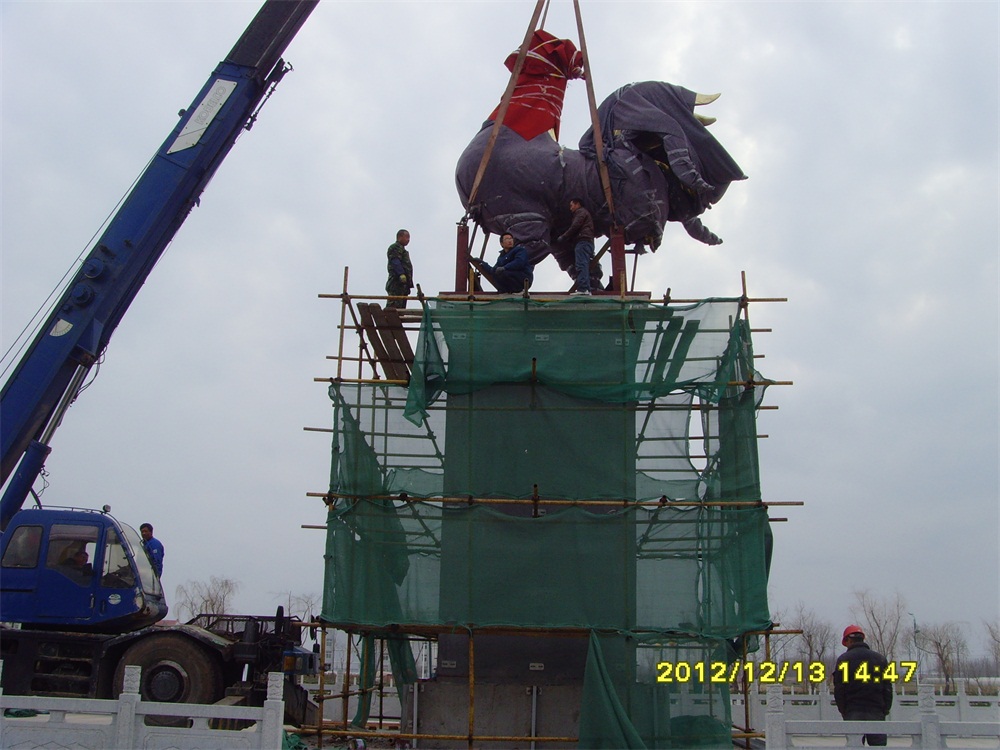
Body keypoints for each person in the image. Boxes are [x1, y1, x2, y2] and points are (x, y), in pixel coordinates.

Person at [833, 624, 893, 746]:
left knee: (855, 745)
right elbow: (887, 688)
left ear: (848, 640)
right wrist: (885, 709)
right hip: (876, 710)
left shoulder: (844, 660)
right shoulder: (880, 659)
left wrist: (843, 710)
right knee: (878, 746)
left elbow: (839, 689)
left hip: (853, 710)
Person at [557, 198, 596, 295]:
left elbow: (576, 225)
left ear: (577, 204)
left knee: (581, 265)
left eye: (571, 205)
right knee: (583, 264)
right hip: (586, 242)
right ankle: (586, 289)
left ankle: (583, 289)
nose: (570, 208)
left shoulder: (581, 212)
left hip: (583, 242)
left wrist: (565, 236)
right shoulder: (583, 213)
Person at [385, 229, 413, 309]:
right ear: (400, 237)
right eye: (406, 237)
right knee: (393, 306)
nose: (408, 240)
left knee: (401, 308)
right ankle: (389, 316)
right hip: (396, 282)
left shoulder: (403, 250)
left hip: (404, 285)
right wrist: (401, 274)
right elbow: (395, 261)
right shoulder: (395, 247)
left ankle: (397, 317)